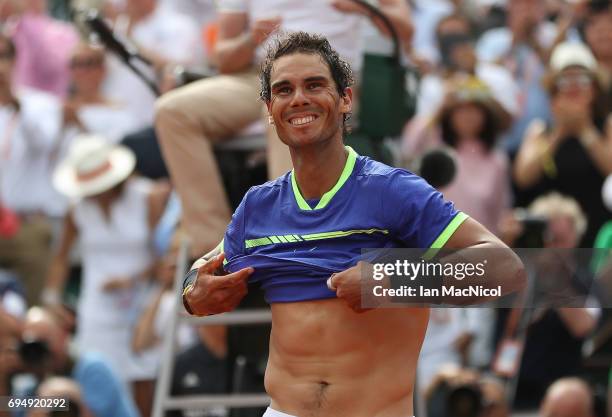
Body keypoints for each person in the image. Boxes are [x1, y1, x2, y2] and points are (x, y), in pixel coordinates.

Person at [182, 32, 525, 417]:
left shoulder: (392, 190)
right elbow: (204, 270)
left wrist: (392, 278)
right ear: (269, 108)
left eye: (314, 85)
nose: (299, 99)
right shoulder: (258, 205)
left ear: (346, 99)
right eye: (283, 89)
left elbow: (505, 268)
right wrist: (192, 294)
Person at [154, 0, 414, 257]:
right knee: (171, 111)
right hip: (257, 78)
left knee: (289, 109)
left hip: (328, 77)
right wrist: (250, 40)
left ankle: (292, 241)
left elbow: (405, 29)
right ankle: (216, 252)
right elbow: (223, 59)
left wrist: (361, 7)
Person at [42, 136, 169, 414]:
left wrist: (133, 279)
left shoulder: (147, 197)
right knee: (97, 376)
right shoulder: (77, 209)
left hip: (143, 304)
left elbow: (164, 258)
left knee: (144, 379)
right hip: (97, 309)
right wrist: (51, 299)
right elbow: (60, 258)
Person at [513, 41, 612, 246]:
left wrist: (585, 130)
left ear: (594, 88)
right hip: (553, 238)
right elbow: (523, 176)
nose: (574, 87)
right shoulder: (540, 130)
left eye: (582, 80)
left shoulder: (608, 126)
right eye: (565, 81)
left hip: (599, 234)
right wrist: (559, 133)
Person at [19, 307, 140, 417]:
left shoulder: (93, 368)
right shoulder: (29, 386)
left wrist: (69, 395)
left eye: (44, 342)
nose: (39, 352)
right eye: (31, 346)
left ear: (63, 335)